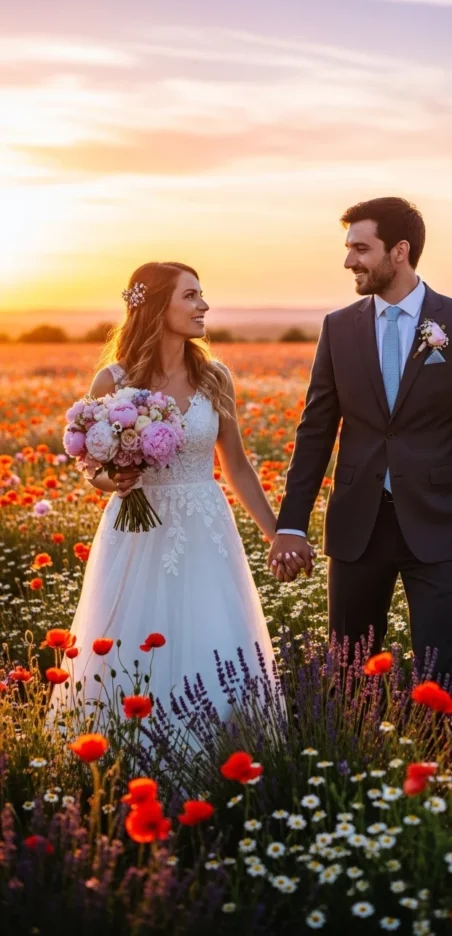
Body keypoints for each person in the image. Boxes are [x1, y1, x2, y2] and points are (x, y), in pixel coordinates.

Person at [268, 197, 452, 684]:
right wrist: (291, 524)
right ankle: (351, 758)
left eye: (361, 248)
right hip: (358, 524)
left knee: (441, 673)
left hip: (439, 526)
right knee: (348, 672)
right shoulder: (338, 328)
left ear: (399, 251)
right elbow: (315, 430)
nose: (348, 261)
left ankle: (445, 759)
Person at [50, 261, 282, 726]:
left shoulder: (216, 378)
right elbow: (93, 469)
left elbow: (235, 464)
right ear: (158, 306)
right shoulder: (113, 381)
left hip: (204, 529)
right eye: (191, 296)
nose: (204, 305)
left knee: (210, 633)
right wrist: (111, 481)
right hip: (137, 532)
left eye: (202, 294)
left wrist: (277, 535)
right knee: (135, 637)